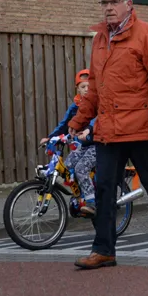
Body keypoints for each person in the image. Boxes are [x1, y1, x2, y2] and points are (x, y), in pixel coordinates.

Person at [69, 0, 148, 269]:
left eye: (114, 2)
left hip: (140, 126)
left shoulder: (146, 33)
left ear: (129, 4)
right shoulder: (99, 39)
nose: (108, 8)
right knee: (105, 188)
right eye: (104, 3)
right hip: (108, 128)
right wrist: (78, 120)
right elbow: (94, 86)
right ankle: (104, 249)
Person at [40, 71, 98, 215]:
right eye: (83, 86)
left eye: (89, 86)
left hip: (97, 144)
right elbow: (65, 124)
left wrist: (89, 131)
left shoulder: (97, 103)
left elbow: (96, 120)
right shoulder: (74, 107)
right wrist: (51, 137)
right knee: (68, 166)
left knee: (81, 168)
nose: (86, 89)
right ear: (77, 88)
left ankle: (92, 201)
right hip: (82, 146)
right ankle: (79, 197)